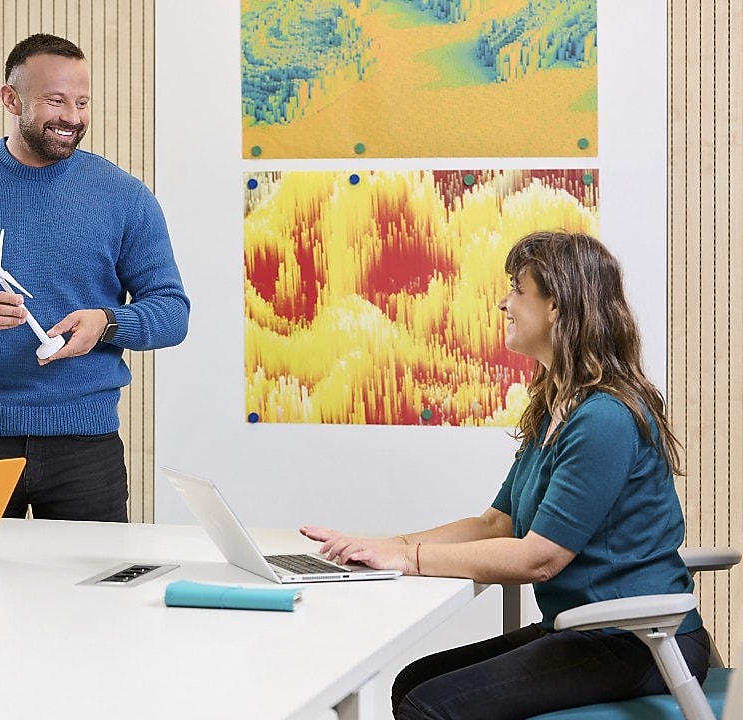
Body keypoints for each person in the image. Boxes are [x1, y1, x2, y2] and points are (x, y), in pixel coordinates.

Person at [301, 231, 709, 718]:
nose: (504, 302)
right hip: (588, 629)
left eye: (518, 288)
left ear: (556, 305)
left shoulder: (604, 418)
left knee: (428, 706)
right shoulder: (559, 407)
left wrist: (409, 559)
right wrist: (382, 546)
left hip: (636, 640)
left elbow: (539, 558)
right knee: (415, 681)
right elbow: (497, 524)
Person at [0, 33, 190, 522]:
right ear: (11, 99)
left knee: (91, 597)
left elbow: (172, 312)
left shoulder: (124, 197)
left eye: (82, 102)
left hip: (86, 448)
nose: (72, 116)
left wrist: (107, 323)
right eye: (55, 100)